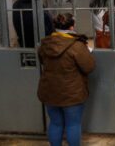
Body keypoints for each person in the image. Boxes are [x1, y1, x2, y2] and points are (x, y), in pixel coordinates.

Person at [37, 13, 96, 146]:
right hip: (72, 94)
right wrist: (87, 52)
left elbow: (42, 61)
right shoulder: (77, 46)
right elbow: (89, 67)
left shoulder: (45, 44)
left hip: (50, 90)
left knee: (55, 123)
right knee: (73, 124)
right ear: (71, 26)